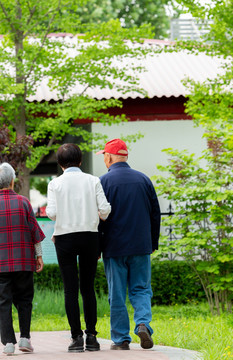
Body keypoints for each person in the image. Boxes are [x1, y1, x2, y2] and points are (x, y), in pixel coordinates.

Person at [0, 163, 45, 355]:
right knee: (25, 299)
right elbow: (35, 233)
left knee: (3, 301)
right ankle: (25, 339)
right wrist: (39, 255)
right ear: (13, 181)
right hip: (23, 262)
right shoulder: (23, 202)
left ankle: (8, 343)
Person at [46, 143, 111, 353]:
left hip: (65, 237)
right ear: (80, 161)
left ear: (60, 163)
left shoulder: (55, 184)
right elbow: (105, 210)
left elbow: (52, 213)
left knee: (70, 289)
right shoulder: (93, 180)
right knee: (88, 287)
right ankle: (92, 336)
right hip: (90, 237)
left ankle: (76, 338)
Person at [97, 138, 161, 350]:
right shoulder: (144, 180)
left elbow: (97, 217)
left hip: (114, 247)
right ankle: (143, 323)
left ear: (109, 156)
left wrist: (98, 246)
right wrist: (153, 242)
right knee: (141, 289)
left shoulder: (103, 182)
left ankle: (121, 339)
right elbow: (155, 214)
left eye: (104, 156)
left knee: (117, 293)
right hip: (141, 245)